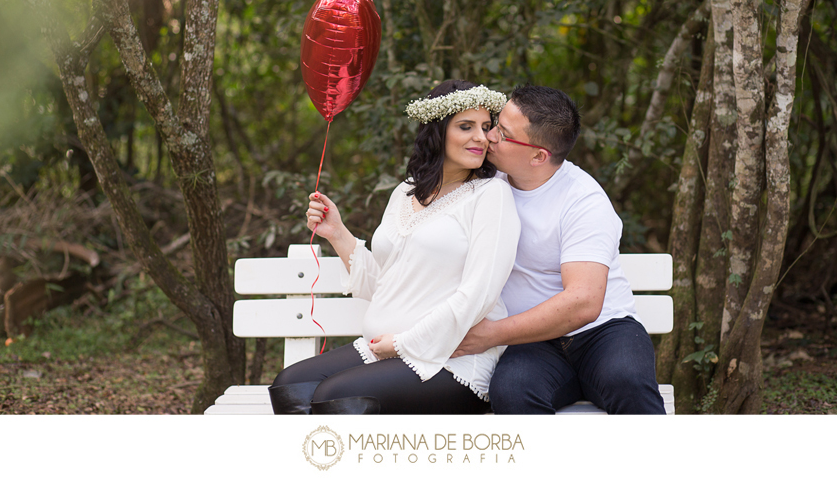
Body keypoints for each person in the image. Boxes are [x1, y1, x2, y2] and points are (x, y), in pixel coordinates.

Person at [268, 80, 521, 414]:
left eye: (486, 127)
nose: (480, 137)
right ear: (437, 130)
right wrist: (337, 233)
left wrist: (403, 344)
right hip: (382, 348)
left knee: (334, 397)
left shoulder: (491, 194)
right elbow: (386, 286)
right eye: (465, 126)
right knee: (288, 387)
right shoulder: (404, 192)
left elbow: (478, 295)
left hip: (449, 359)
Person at [452, 85, 666, 414]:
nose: (489, 136)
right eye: (496, 123)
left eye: (503, 134)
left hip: (603, 333)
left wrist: (491, 334)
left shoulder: (584, 201)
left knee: (629, 383)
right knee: (511, 390)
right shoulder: (484, 180)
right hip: (533, 342)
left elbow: (583, 303)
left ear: (539, 156)